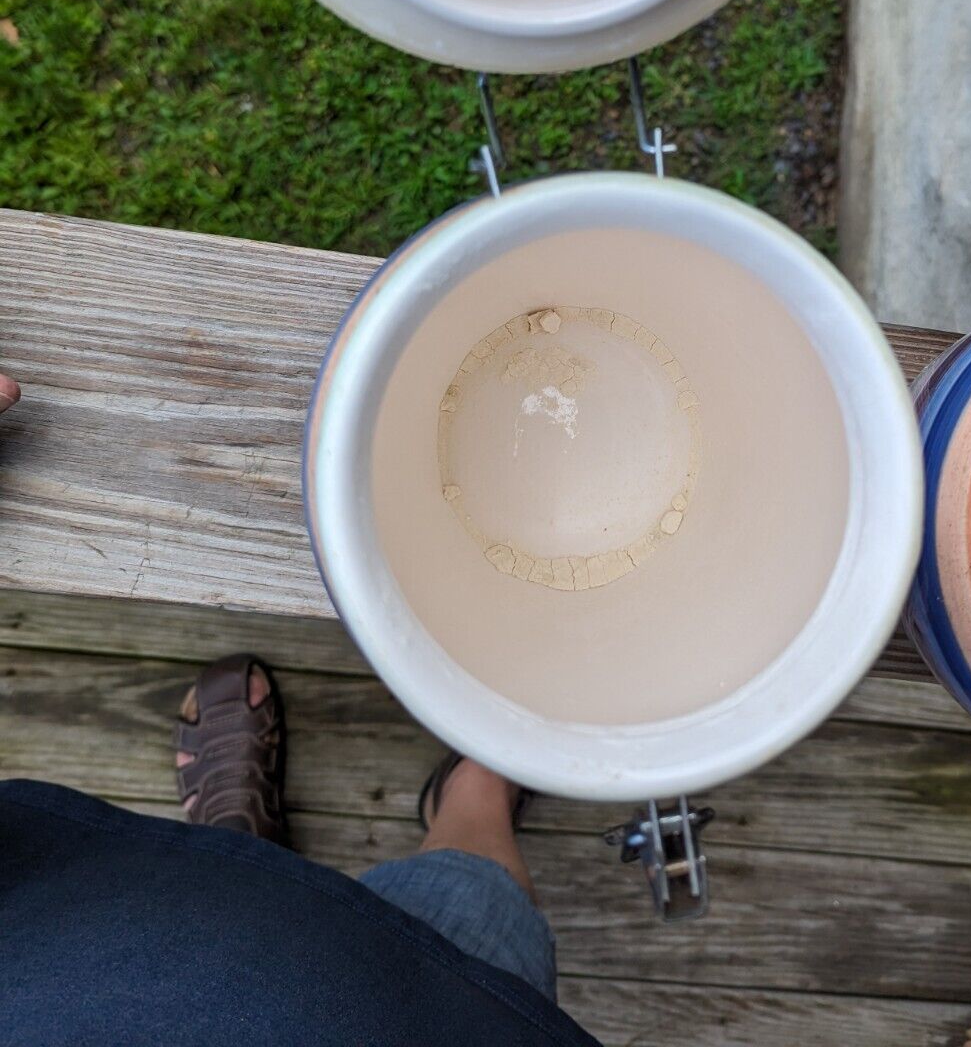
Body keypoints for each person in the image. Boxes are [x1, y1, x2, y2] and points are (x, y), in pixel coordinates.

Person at [0, 377, 601, 1046]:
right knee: (470, 902)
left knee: (202, 909)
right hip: (409, 1021)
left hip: (78, 966)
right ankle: (477, 788)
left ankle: (237, 846)